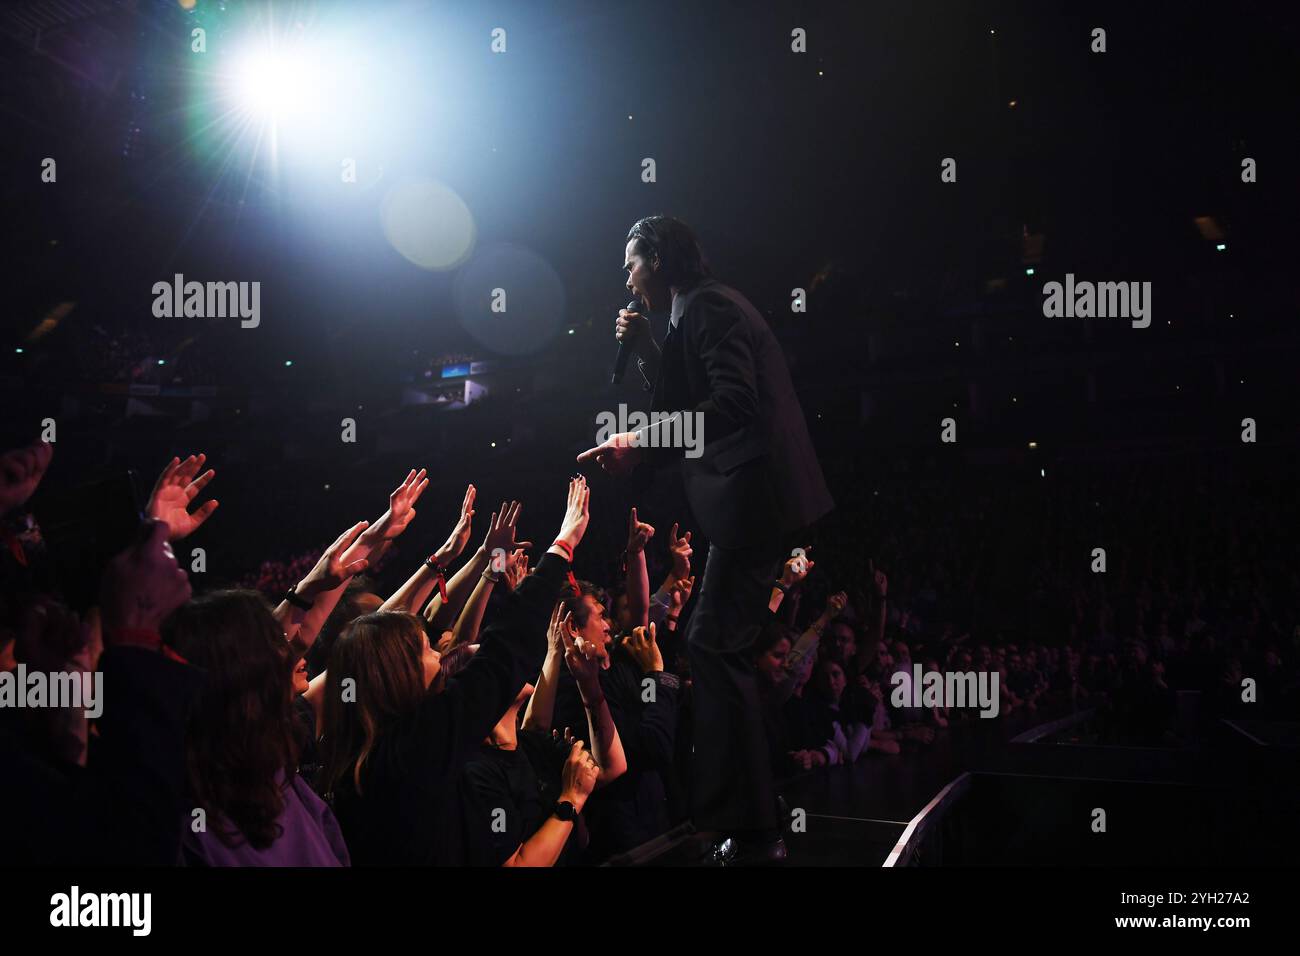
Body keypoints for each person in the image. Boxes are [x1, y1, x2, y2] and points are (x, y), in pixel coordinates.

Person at [578, 215, 834, 864]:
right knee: (715, 645)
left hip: (754, 501)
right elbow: (688, 396)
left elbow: (733, 407)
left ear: (659, 260)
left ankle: (752, 827)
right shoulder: (693, 311)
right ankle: (750, 820)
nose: (626, 276)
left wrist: (639, 443)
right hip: (747, 505)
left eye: (631, 261)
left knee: (713, 645)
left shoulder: (711, 306)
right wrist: (644, 352)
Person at [316, 477, 592, 865]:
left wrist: (483, 560)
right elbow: (500, 653)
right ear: (397, 674)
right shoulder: (417, 748)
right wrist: (563, 544)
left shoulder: (364, 761)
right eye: (427, 649)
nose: (440, 656)